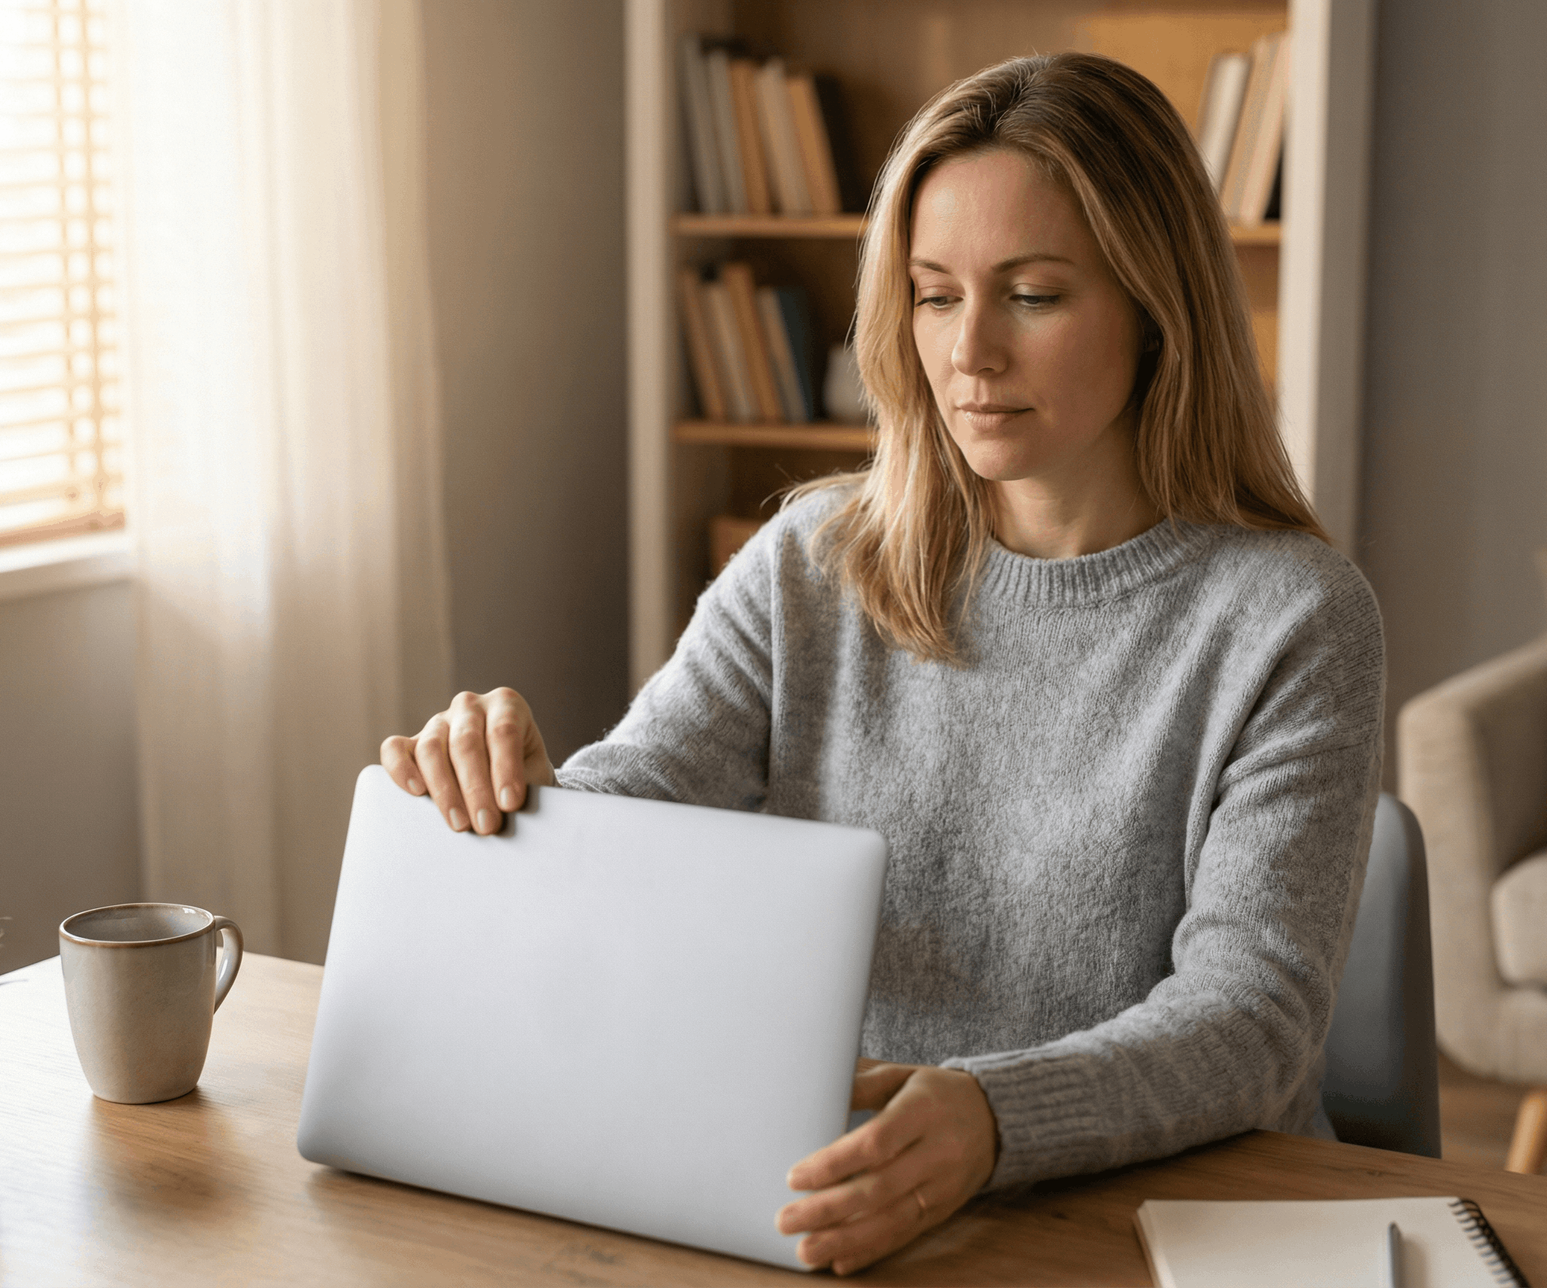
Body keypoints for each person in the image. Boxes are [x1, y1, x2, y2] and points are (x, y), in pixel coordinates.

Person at [379, 52, 1383, 1276]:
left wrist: (994, 1115)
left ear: (1156, 304)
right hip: (849, 1194)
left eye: (1034, 294)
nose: (970, 355)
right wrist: (525, 801)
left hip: (1166, 1219)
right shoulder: (811, 557)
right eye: (934, 294)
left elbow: (1252, 1021)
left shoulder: (1292, 616)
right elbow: (641, 793)